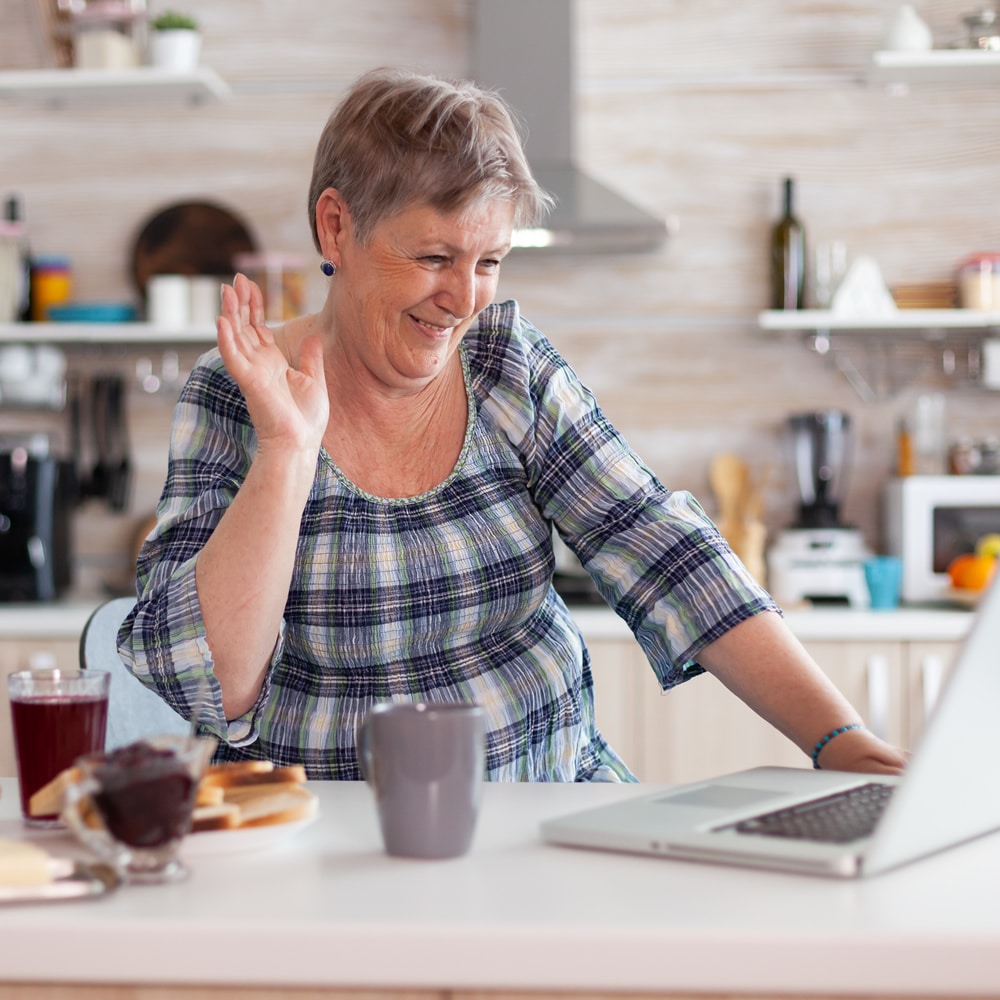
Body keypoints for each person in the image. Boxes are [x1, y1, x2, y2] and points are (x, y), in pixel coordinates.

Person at [120, 67, 906, 781]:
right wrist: (288, 453)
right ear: (336, 228)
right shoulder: (235, 394)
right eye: (433, 257)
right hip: (334, 843)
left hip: (546, 800)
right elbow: (214, 682)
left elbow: (663, 548)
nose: (465, 299)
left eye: (489, 261)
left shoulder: (506, 365)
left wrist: (839, 740)